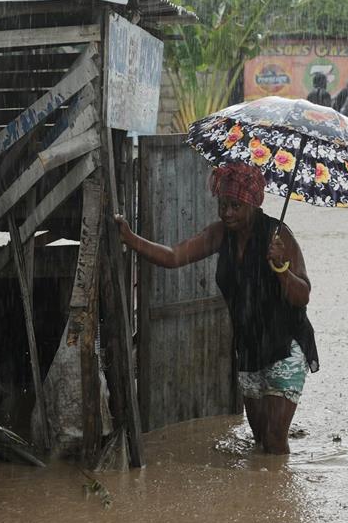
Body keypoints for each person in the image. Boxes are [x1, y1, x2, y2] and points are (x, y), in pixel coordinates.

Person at [114, 163, 318, 455]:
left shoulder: (278, 235)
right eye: (222, 205)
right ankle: (260, 495)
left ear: (253, 202)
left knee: (274, 440)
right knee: (259, 438)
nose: (227, 213)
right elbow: (174, 257)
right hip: (249, 346)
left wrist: (281, 268)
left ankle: (279, 495)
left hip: (286, 344)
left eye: (235, 205)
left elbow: (303, 296)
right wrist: (130, 238)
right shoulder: (221, 234)